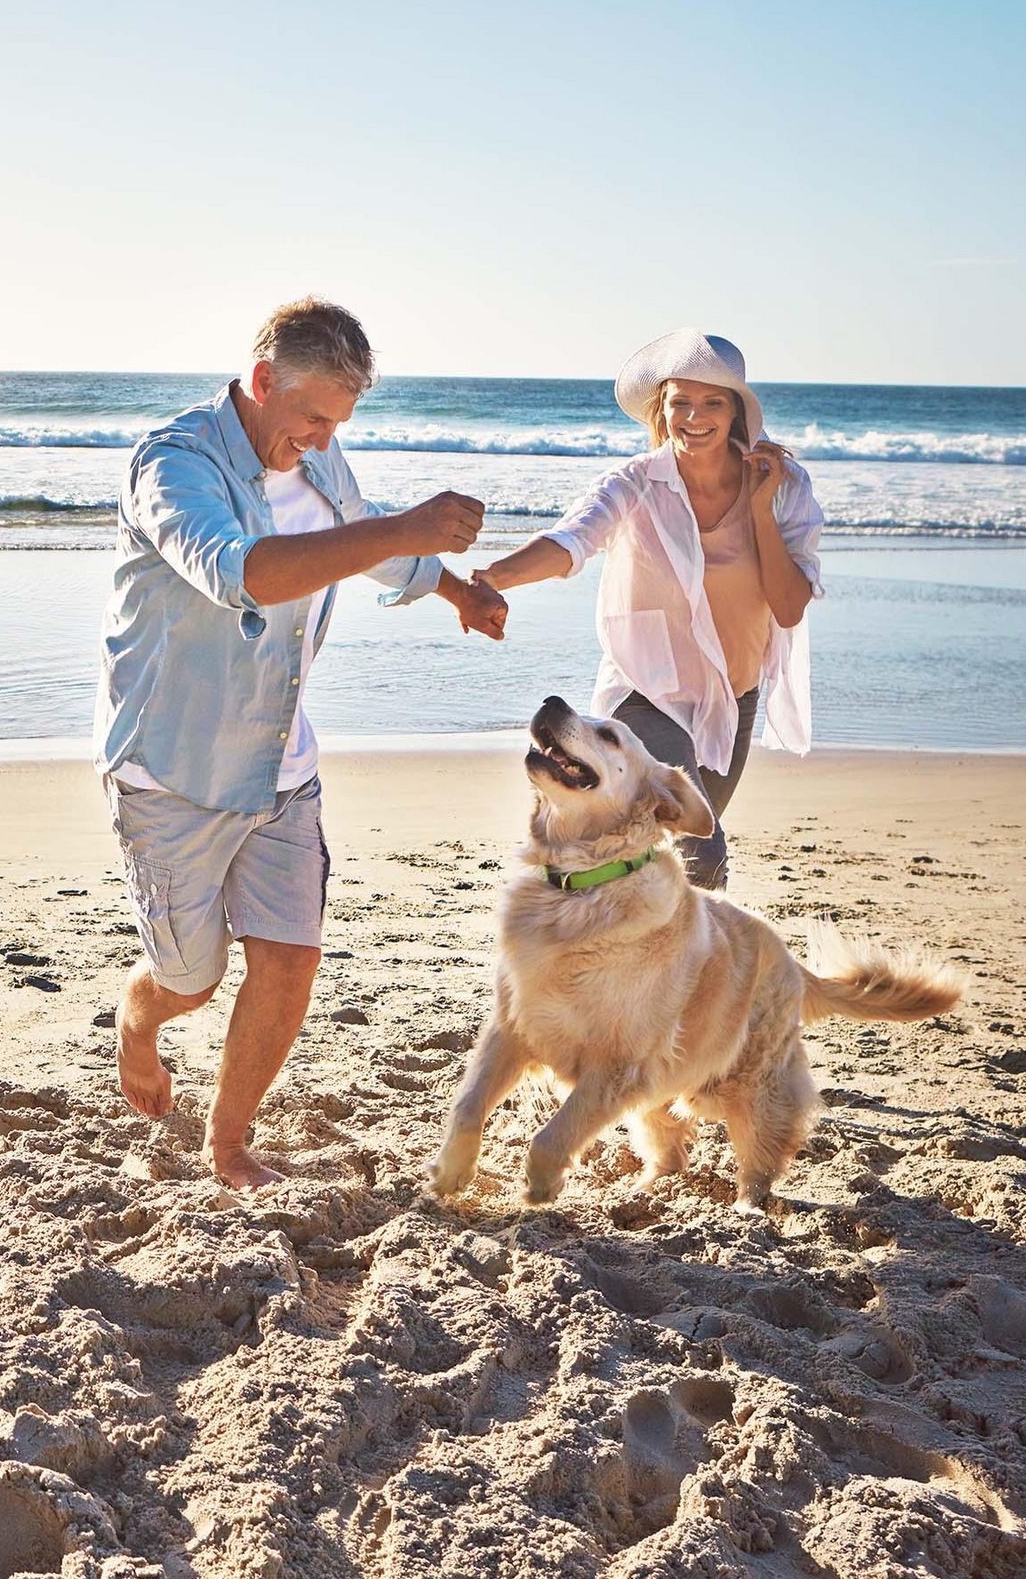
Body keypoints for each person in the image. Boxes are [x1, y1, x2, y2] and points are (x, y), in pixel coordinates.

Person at [94, 297, 508, 1188]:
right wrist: (402, 529)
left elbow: (364, 547)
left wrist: (452, 589)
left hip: (281, 760)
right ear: (260, 382)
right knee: (191, 982)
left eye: (340, 422)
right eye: (313, 417)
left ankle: (228, 1143)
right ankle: (140, 1013)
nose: (323, 439)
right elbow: (242, 574)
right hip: (174, 769)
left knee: (290, 962)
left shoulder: (318, 459)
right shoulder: (174, 467)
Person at [471, 329, 823, 889]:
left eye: (712, 402)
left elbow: (788, 607)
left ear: (736, 411)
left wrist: (759, 508)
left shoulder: (784, 489)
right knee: (699, 853)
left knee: (666, 858)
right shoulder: (634, 484)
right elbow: (571, 541)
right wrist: (493, 578)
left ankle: (637, 957)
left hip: (734, 697)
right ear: (662, 408)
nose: (694, 417)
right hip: (648, 692)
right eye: (680, 401)